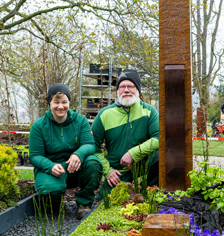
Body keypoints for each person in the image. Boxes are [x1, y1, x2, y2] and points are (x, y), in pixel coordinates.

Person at [29, 83, 103, 219]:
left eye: (64, 102)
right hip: (51, 169)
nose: (60, 106)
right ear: (49, 103)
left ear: (69, 102)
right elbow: (34, 156)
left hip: (75, 168)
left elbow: (89, 144)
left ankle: (84, 204)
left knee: (94, 163)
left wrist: (78, 154)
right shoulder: (39, 126)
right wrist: (50, 166)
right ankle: (55, 201)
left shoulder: (80, 121)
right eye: (56, 102)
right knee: (52, 203)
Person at [91, 69, 159, 197]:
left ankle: (148, 188)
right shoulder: (105, 114)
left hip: (144, 171)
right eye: (122, 87)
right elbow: (93, 146)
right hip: (118, 173)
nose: (126, 90)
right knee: (105, 201)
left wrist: (133, 153)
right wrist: (108, 171)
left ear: (138, 89)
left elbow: (158, 138)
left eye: (131, 86)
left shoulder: (149, 112)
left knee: (160, 155)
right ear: (117, 91)